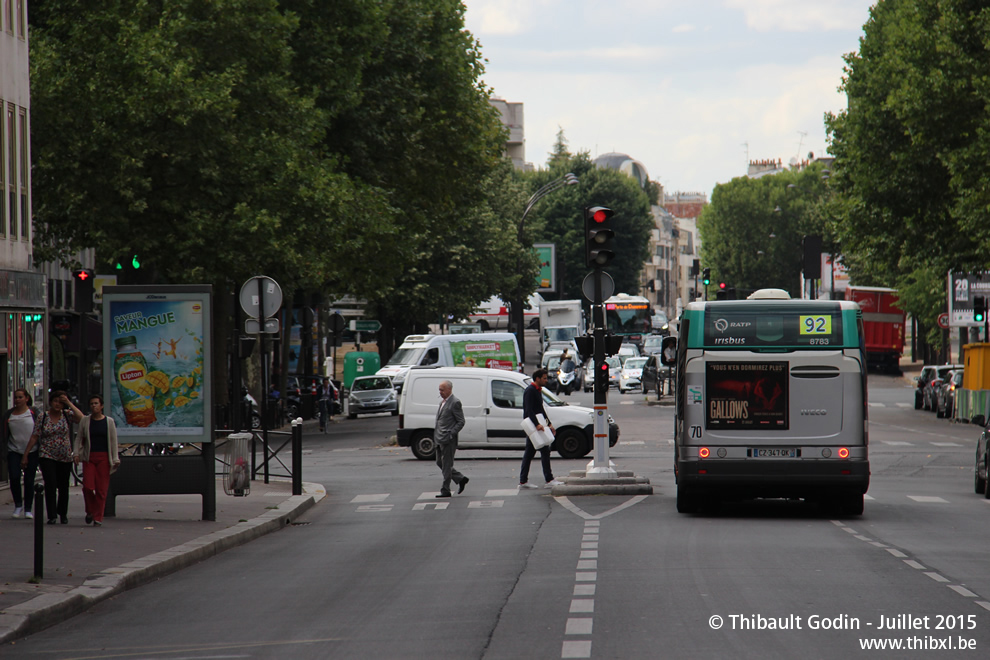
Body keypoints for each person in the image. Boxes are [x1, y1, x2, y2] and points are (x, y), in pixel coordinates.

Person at [23, 391, 82, 524]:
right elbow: (35, 436)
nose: (58, 404)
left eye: (60, 402)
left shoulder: (67, 415)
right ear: (50, 402)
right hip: (47, 454)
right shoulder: (43, 417)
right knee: (50, 484)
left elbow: (82, 418)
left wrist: (68, 403)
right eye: (55, 401)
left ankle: (63, 513)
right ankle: (52, 515)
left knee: (63, 486)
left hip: (65, 456)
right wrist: (26, 454)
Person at [73, 394, 120, 526]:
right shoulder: (85, 421)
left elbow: (113, 440)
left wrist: (115, 458)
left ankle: (98, 517)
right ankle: (91, 510)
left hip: (104, 457)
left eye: (96, 403)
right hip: (89, 457)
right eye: (92, 404)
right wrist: (76, 453)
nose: (94, 406)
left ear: (102, 406)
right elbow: (79, 438)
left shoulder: (108, 422)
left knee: (101, 489)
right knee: (88, 487)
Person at [519, 368, 564, 489]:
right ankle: (548, 480)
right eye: (544, 378)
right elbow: (529, 409)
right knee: (543, 451)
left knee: (530, 453)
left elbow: (541, 409)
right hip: (533, 426)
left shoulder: (537, 390)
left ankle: (523, 481)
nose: (546, 380)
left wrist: (549, 424)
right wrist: (537, 424)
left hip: (538, 425)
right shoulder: (530, 391)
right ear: (537, 379)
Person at [4, 388, 39, 519]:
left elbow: (39, 429)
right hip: (14, 449)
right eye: (16, 398)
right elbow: (5, 433)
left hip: (32, 450)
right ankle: (18, 504)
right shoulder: (9, 415)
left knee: (29, 479)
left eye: (20, 397)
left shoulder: (33, 412)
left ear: (26, 398)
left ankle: (28, 508)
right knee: (14, 476)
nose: (17, 400)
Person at [434, 380, 468, 498]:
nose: (440, 392)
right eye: (439, 389)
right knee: (440, 462)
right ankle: (460, 478)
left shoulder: (455, 402)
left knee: (447, 465)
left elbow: (461, 421)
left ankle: (445, 490)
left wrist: (451, 434)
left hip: (448, 439)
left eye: (442, 390)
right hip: (439, 438)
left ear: (449, 389)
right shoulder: (441, 403)